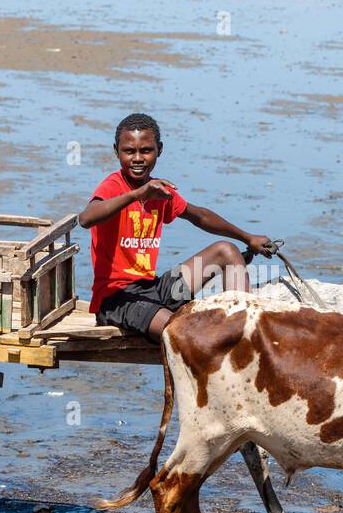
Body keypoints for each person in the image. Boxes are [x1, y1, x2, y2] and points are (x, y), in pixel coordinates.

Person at [80, 113, 273, 342]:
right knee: (180, 331)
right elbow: (86, 218)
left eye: (146, 150)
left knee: (226, 251)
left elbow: (200, 216)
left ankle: (240, 330)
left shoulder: (161, 191)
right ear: (116, 151)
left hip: (154, 289)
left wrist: (247, 238)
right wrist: (139, 194)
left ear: (159, 150)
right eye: (129, 151)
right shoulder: (114, 186)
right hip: (117, 300)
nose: (138, 158)